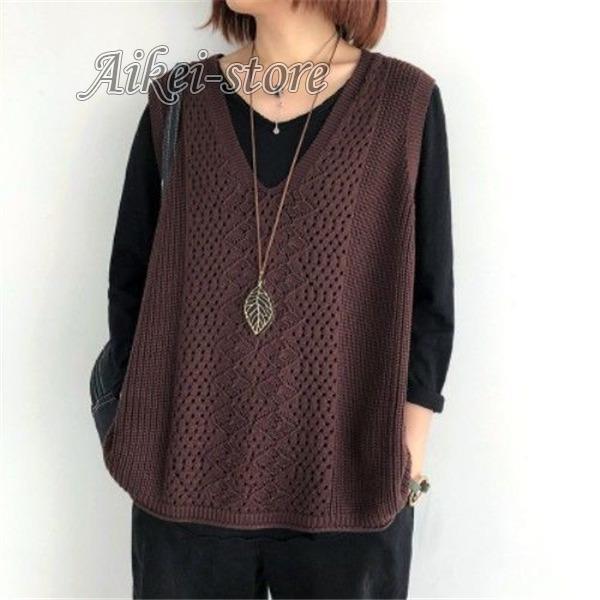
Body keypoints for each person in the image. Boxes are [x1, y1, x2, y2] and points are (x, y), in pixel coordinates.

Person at [90, 0, 454, 598]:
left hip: (349, 488)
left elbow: (431, 296)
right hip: (185, 486)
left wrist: (409, 454)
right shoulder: (180, 100)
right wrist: (140, 423)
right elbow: (131, 274)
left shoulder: (403, 104)